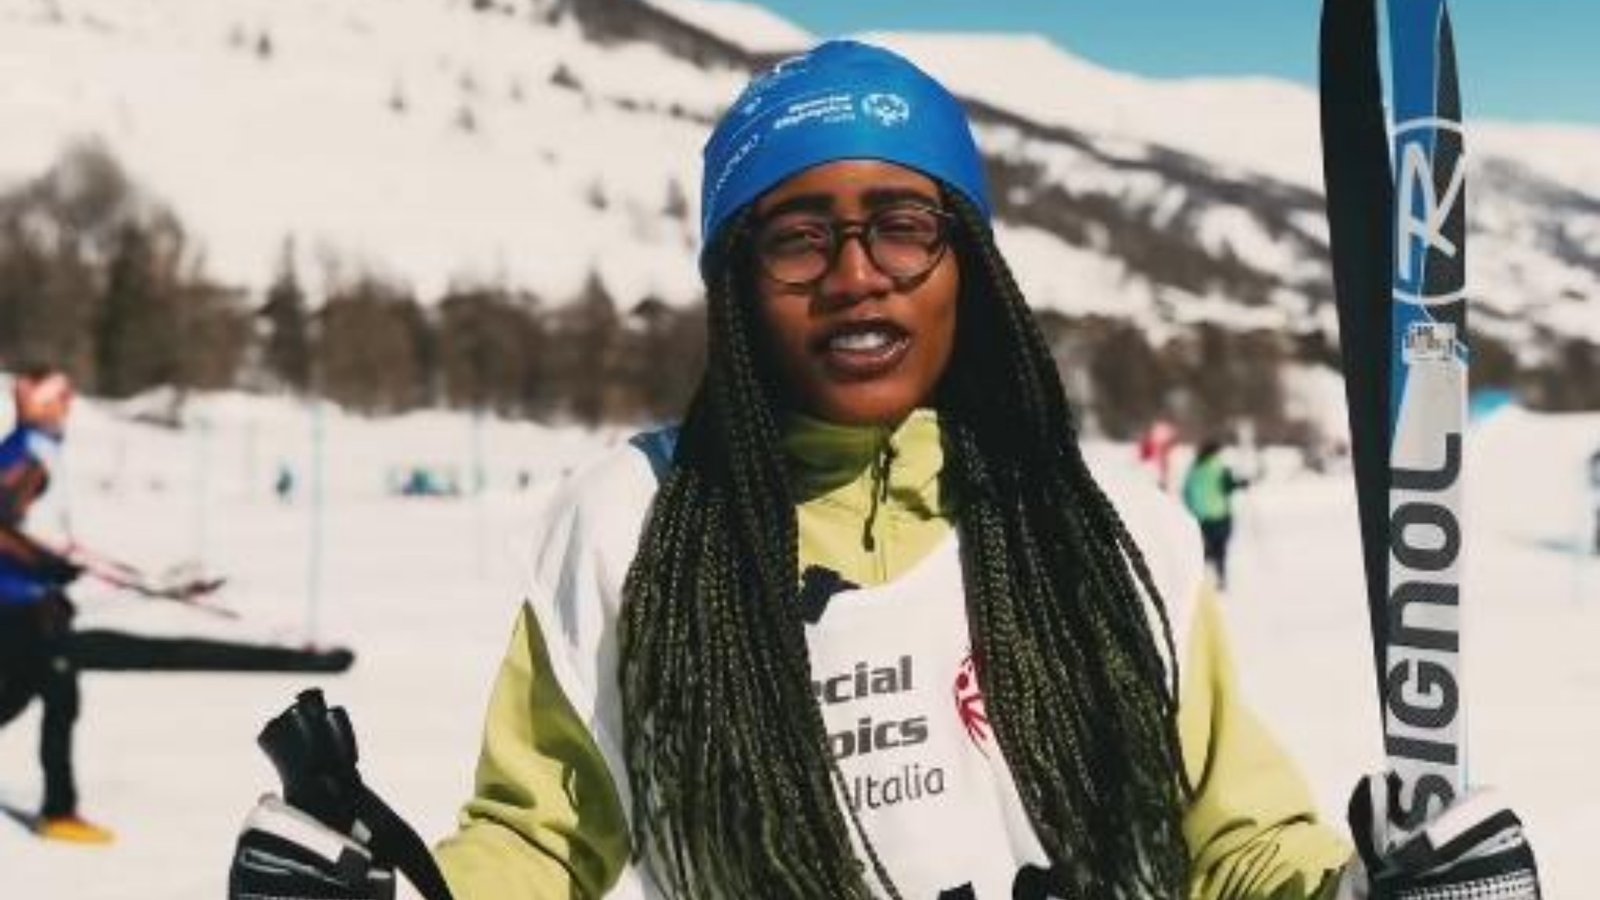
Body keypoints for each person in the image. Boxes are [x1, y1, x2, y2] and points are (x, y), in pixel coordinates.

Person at [230, 40, 1540, 900]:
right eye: (798, 238)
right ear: (736, 284)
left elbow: (1232, 838)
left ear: (968, 263)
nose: (856, 274)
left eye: (904, 226)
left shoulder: (1114, 529)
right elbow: (543, 835)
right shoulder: (630, 525)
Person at [0, 364, 113, 844]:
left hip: (32, 598)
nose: (68, 408)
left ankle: (60, 809)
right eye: (60, 399)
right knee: (57, 696)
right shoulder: (24, 454)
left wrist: (59, 561)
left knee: (21, 692)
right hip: (19, 602)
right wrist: (47, 564)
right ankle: (59, 811)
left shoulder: (38, 450)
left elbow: (29, 526)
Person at [1181, 438, 1249, 591]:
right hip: (1220, 517)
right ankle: (1220, 579)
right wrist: (1242, 484)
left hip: (1201, 519)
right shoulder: (1220, 468)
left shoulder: (1194, 469)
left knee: (1204, 550)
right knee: (1220, 550)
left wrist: (1193, 511)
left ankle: (1201, 581)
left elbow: (1186, 493)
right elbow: (1228, 487)